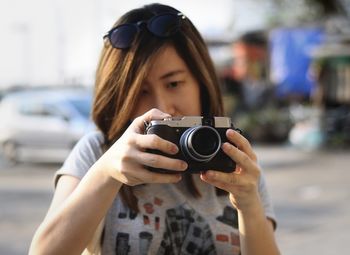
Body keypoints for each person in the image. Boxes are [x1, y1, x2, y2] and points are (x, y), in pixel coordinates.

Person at [29, 3, 280, 255]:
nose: (162, 108)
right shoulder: (99, 152)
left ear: (201, 82)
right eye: (141, 92)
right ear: (120, 96)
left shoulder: (231, 156)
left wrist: (249, 203)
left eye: (173, 83)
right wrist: (106, 174)